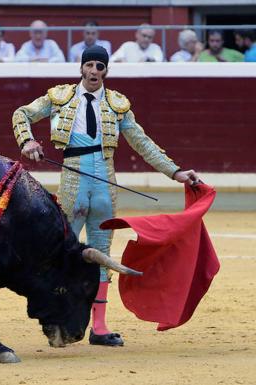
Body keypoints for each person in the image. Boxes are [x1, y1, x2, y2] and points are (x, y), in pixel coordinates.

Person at [11, 45, 199, 347]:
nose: (95, 71)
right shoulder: (59, 97)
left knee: (102, 254)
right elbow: (22, 114)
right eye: (90, 65)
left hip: (104, 180)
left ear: (106, 71)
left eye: (100, 66)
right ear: (81, 68)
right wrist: (28, 140)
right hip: (72, 175)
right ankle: (58, 319)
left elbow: (142, 142)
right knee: (63, 253)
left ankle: (98, 326)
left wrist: (174, 172)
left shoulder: (116, 104)